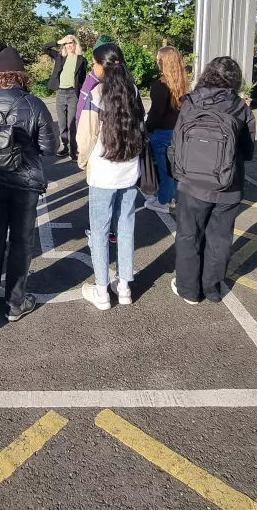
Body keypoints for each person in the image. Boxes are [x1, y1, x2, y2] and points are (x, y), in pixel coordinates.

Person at [0, 47, 58, 322]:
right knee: (21, 241)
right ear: (21, 74)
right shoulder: (34, 104)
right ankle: (16, 302)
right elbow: (51, 147)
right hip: (24, 184)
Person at [167, 56, 256, 304]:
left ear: (207, 74)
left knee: (188, 236)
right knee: (220, 239)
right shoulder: (241, 108)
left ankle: (188, 290)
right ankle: (212, 288)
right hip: (229, 184)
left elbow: (176, 143)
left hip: (191, 183)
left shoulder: (191, 103)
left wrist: (177, 173)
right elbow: (248, 152)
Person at [77, 43, 144, 310]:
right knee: (126, 226)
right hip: (129, 170)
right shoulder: (134, 91)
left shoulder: (96, 94)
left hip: (103, 172)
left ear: (101, 66)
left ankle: (102, 290)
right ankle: (124, 286)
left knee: (100, 229)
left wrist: (83, 161)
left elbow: (86, 136)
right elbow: (141, 126)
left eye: (94, 64)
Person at [144, 46, 189, 214]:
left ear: (164, 62)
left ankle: (162, 201)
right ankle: (170, 198)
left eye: (158, 59)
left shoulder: (160, 85)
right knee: (173, 167)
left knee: (164, 169)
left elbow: (157, 113)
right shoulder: (182, 83)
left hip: (161, 132)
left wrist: (147, 128)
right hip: (177, 132)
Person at [42, 34, 86, 159]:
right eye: (66, 44)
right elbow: (44, 48)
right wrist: (59, 41)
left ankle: (73, 150)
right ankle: (65, 146)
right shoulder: (59, 56)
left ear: (75, 44)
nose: (68, 45)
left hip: (73, 94)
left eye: (71, 43)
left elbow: (82, 80)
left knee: (72, 123)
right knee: (62, 124)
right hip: (60, 93)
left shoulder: (81, 60)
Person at [75, 34, 115, 126]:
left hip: (100, 135)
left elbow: (80, 112)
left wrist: (78, 127)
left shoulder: (92, 82)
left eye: (94, 63)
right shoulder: (128, 83)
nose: (93, 66)